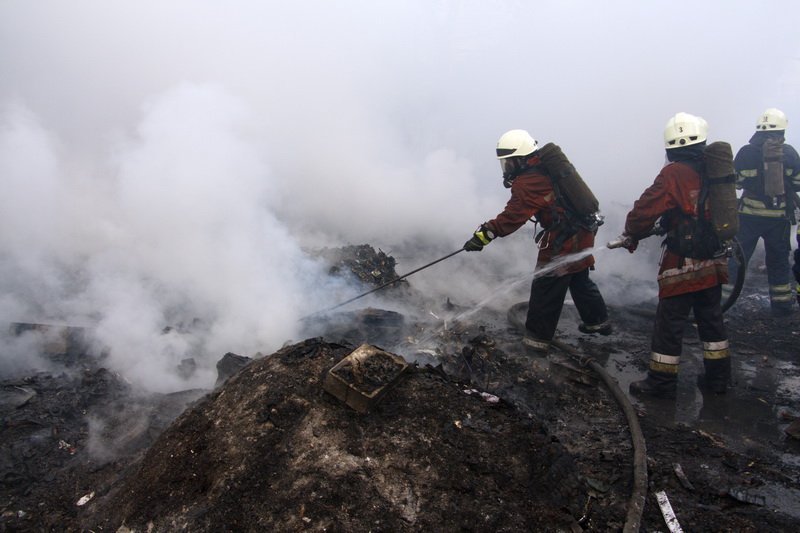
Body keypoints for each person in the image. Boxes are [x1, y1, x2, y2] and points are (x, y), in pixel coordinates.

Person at [463, 129, 610, 354]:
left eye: (508, 162)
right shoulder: (545, 168)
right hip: (582, 232)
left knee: (546, 285)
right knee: (578, 276)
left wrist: (483, 235)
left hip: (563, 238)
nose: (506, 167)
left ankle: (535, 343)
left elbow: (513, 216)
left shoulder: (529, 181)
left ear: (520, 159)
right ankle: (598, 321)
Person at [617, 112, 730, 398]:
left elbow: (645, 210)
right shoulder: (713, 167)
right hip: (714, 259)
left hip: (684, 263)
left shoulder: (674, 173)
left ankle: (661, 382)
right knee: (711, 320)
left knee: (670, 323)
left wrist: (631, 231)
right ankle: (718, 380)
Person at [725, 108, 800, 316]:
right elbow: (798, 182)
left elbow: (736, 182)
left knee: (737, 260)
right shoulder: (790, 153)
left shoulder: (746, 152)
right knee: (778, 261)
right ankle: (782, 307)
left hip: (748, 216)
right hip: (779, 218)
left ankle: (723, 303)